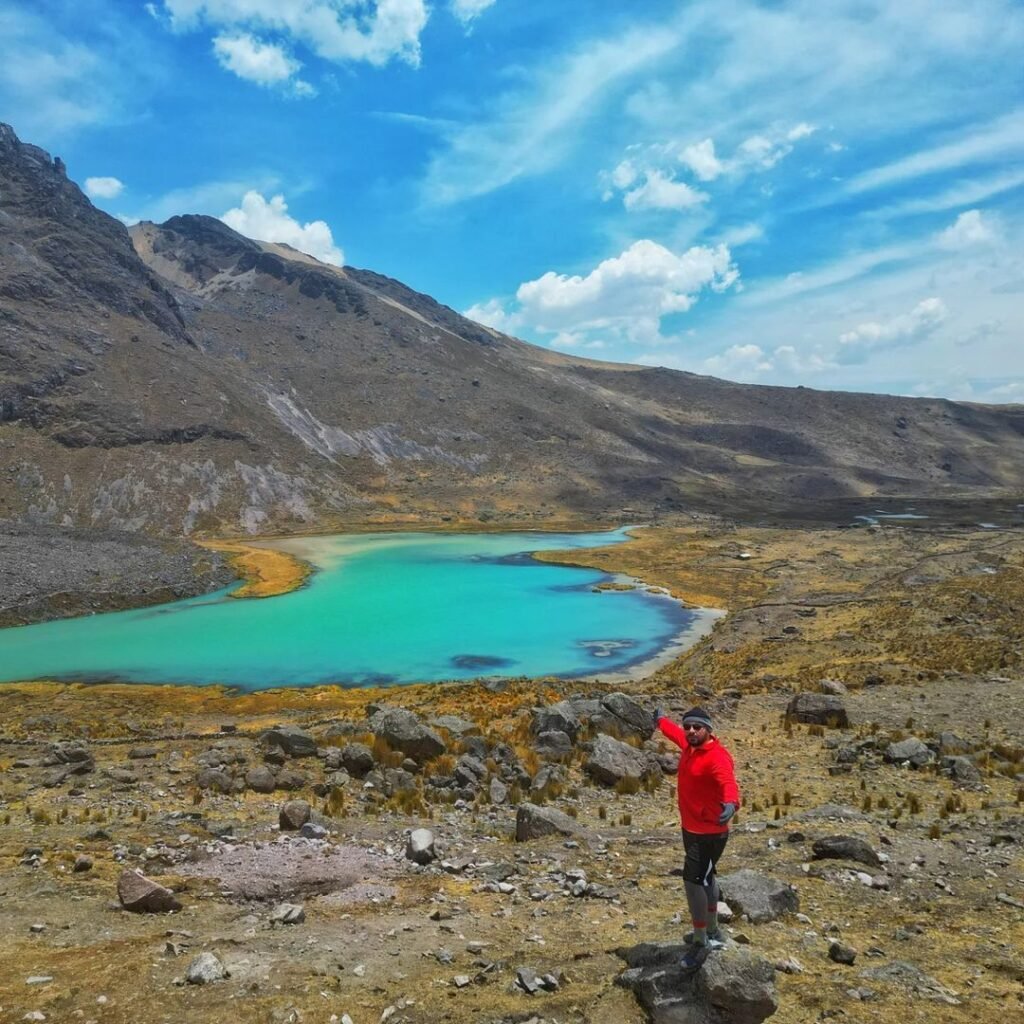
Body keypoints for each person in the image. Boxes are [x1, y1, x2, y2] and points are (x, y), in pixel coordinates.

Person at [652, 705, 740, 970]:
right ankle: (712, 930)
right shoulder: (689, 745)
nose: (690, 731)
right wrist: (660, 721)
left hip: (709, 833)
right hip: (691, 828)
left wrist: (731, 804)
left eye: (696, 727)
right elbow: (674, 733)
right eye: (688, 726)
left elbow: (728, 782)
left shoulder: (717, 756)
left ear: (708, 729)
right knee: (707, 877)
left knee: (692, 881)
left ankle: (701, 941)